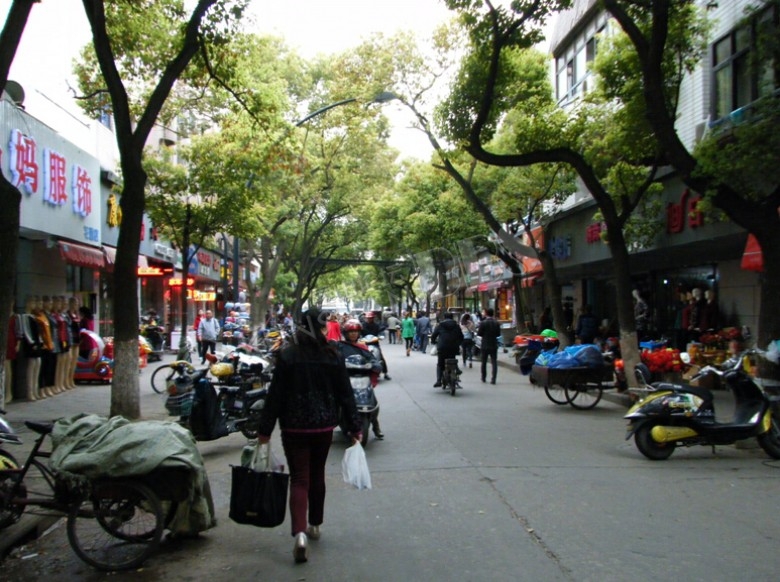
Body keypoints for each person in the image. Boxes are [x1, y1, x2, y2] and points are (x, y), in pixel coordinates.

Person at [257, 308, 361, 564]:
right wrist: (354, 426)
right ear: (322, 327)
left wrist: (265, 430)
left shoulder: (288, 355)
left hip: (293, 426)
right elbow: (345, 393)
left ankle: (300, 533)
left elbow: (275, 395)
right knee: (317, 475)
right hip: (323, 426)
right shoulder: (332, 355)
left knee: (299, 478)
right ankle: (315, 524)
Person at [337, 318, 384, 439]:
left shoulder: (363, 348)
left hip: (362, 379)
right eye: (351, 332)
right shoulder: (339, 346)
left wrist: (375, 365)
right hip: (344, 379)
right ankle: (330, 426)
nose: (353, 334)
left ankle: (375, 425)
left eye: (356, 332)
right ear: (346, 333)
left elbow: (373, 359)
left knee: (373, 401)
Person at [431, 312, 464, 387]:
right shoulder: (456, 326)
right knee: (452, 357)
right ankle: (456, 368)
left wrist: (433, 341)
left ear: (444, 317)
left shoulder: (440, 325)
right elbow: (461, 337)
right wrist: (458, 343)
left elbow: (434, 335)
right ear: (452, 318)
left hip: (442, 347)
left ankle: (438, 380)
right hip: (454, 347)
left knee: (440, 364)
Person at [361, 313, 391, 380]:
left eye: (371, 318)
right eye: (368, 318)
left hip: (375, 343)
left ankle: (385, 373)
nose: (369, 319)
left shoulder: (377, 325)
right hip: (365, 344)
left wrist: (381, 336)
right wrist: (359, 338)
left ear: (373, 318)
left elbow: (381, 331)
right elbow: (359, 333)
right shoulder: (363, 325)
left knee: (381, 357)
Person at [477, 307, 501, 385]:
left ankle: (483, 377)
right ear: (493, 314)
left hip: (485, 344)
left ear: (486, 314)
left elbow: (479, 333)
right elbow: (498, 334)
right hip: (493, 344)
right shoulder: (496, 323)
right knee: (494, 362)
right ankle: (493, 379)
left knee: (484, 362)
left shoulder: (483, 323)